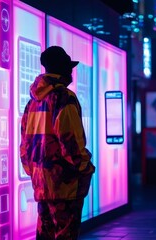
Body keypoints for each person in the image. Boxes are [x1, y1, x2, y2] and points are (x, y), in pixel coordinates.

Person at [20, 46, 95, 239]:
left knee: (45, 234)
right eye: (69, 67)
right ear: (62, 69)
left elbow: (25, 145)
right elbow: (70, 142)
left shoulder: (33, 102)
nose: (71, 72)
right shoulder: (64, 98)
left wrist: (33, 172)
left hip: (41, 182)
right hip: (64, 183)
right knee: (65, 233)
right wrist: (85, 167)